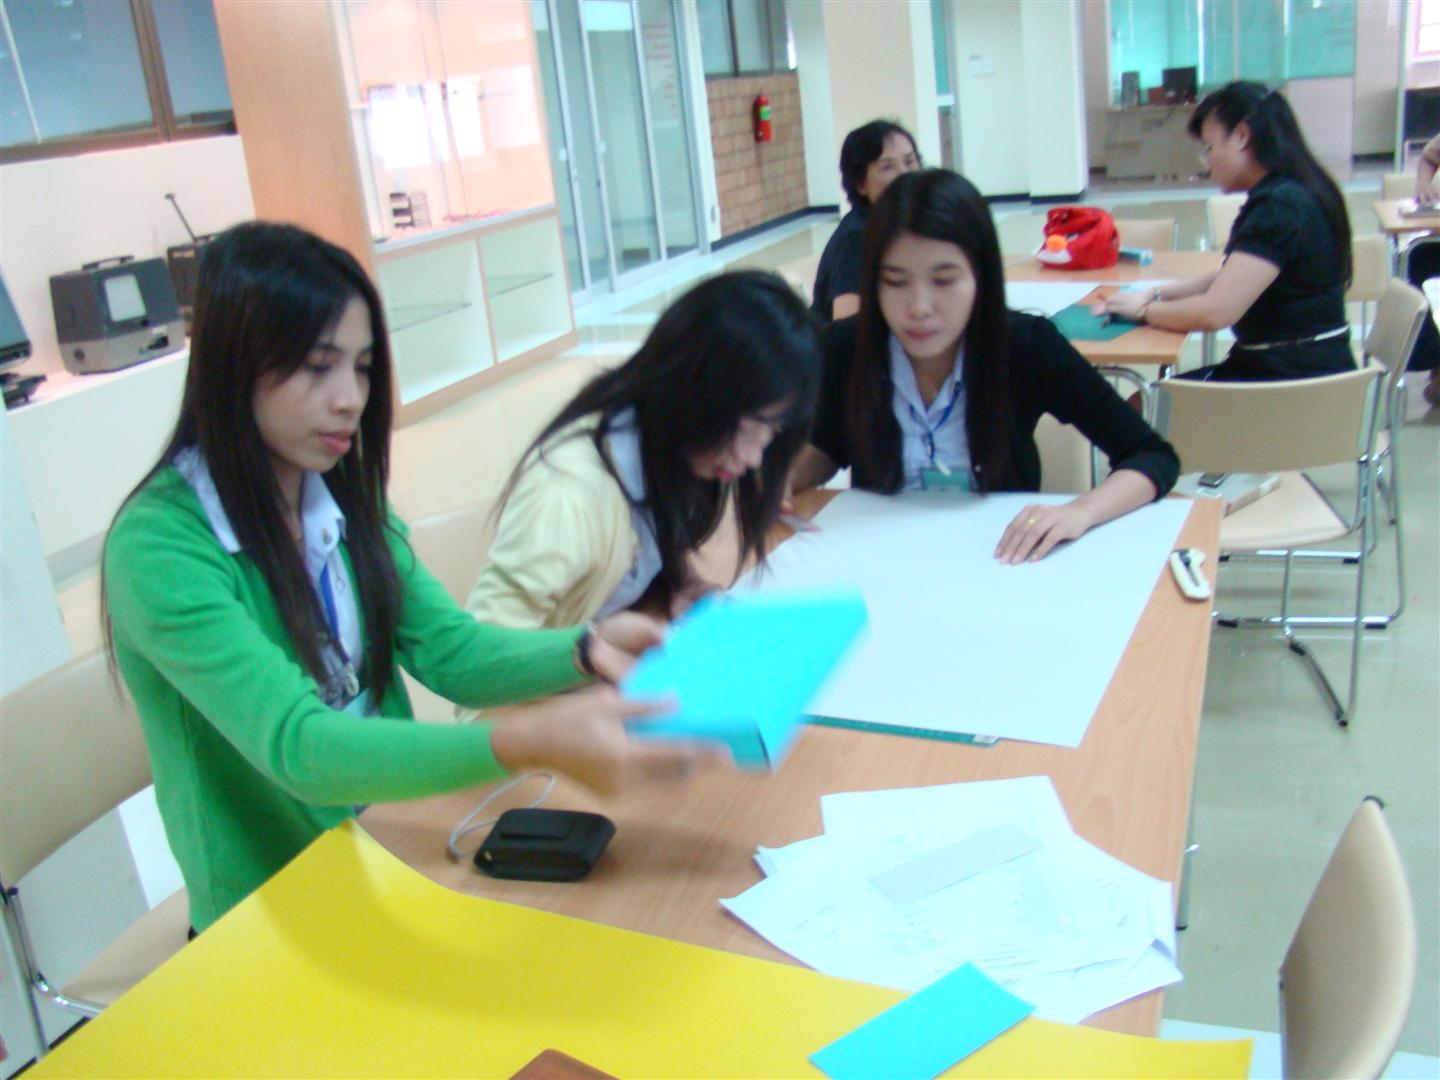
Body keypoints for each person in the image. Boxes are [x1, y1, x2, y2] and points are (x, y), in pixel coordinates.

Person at [101, 222, 720, 933]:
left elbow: (451, 652)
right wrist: (527, 741)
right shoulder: (160, 546)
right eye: (317, 366)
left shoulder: (338, 494)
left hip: (393, 851)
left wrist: (586, 647)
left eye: (363, 368)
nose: (350, 398)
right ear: (232, 365)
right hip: (269, 916)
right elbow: (301, 748)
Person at [790, 169, 1180, 564]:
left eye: (943, 281)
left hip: (1000, 561)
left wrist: (1082, 511)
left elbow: (1151, 455)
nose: (919, 307)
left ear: (981, 276)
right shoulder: (848, 347)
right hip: (882, 561)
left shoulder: (1025, 346)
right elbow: (828, 446)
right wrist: (778, 482)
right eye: (895, 281)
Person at [468, 270, 822, 629]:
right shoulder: (566, 495)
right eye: (746, 428)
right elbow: (484, 651)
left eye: (771, 432)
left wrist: (681, 583)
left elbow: (643, 541)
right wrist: (590, 653)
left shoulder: (671, 448)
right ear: (696, 390)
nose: (753, 457)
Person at [1098, 81, 1353, 382]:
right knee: (1140, 406)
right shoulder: (1297, 189)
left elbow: (1214, 312)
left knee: (1139, 407)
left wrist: (1144, 311)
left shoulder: (1280, 206)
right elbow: (1233, 276)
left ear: (1242, 136)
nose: (1207, 164)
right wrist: (1157, 292)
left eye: (1209, 147)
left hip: (1289, 379)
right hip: (1304, 367)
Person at [811, 120, 921, 323]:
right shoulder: (857, 238)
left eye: (910, 161)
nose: (904, 174)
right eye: (887, 167)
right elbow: (847, 327)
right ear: (861, 184)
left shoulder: (902, 225)